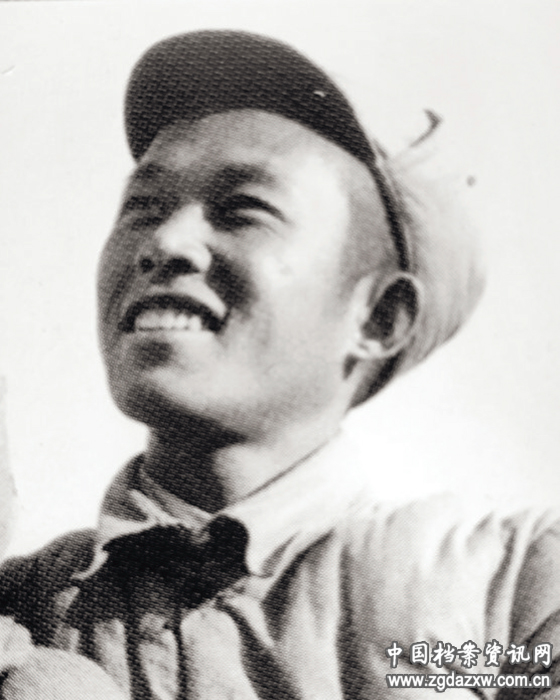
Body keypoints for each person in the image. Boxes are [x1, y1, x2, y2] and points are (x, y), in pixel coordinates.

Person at [0, 29, 559, 699]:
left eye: (243, 211)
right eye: (142, 207)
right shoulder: (16, 607)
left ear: (378, 318)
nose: (165, 242)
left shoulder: (510, 592)